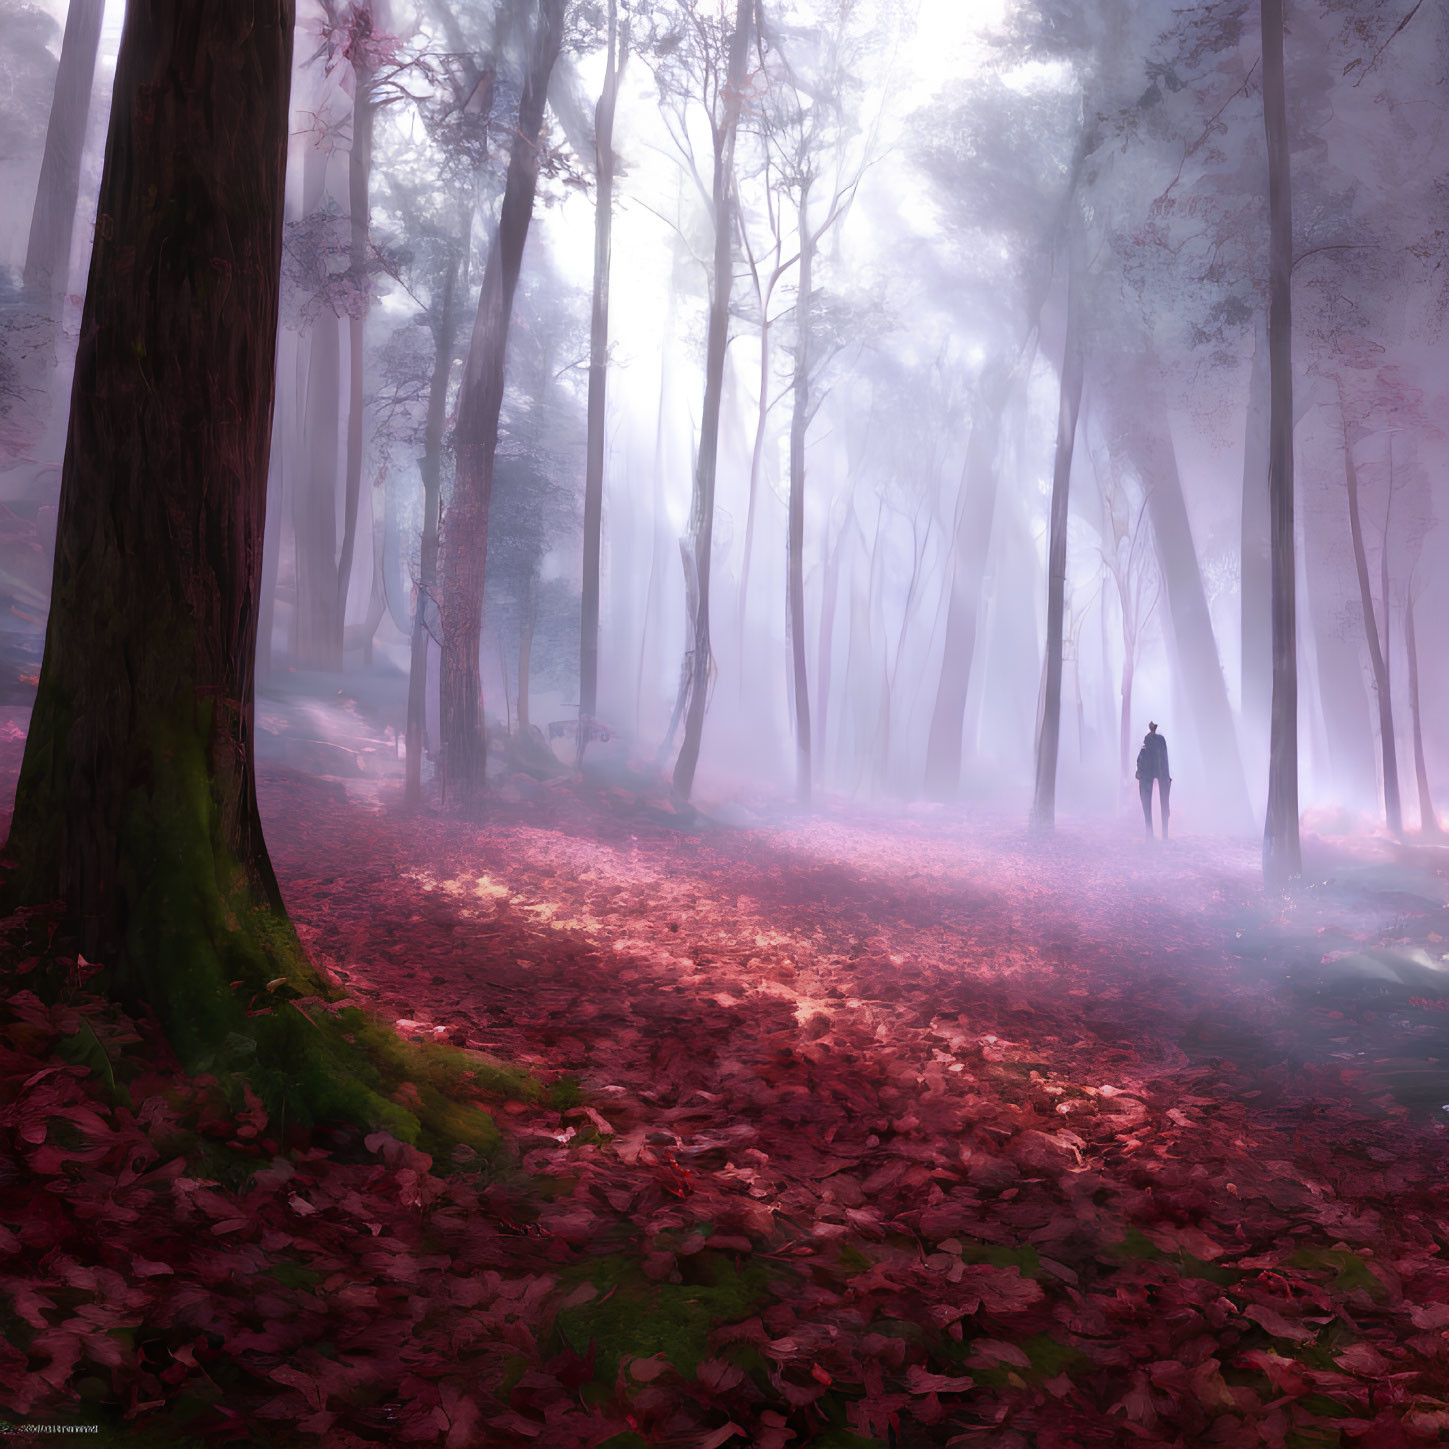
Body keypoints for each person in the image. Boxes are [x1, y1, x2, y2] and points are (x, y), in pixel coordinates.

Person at [1136, 721, 1171, 839]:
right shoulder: (1148, 747)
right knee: (1148, 798)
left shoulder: (1159, 743)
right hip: (1149, 772)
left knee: (1161, 800)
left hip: (1156, 770)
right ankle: (1151, 832)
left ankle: (1159, 832)